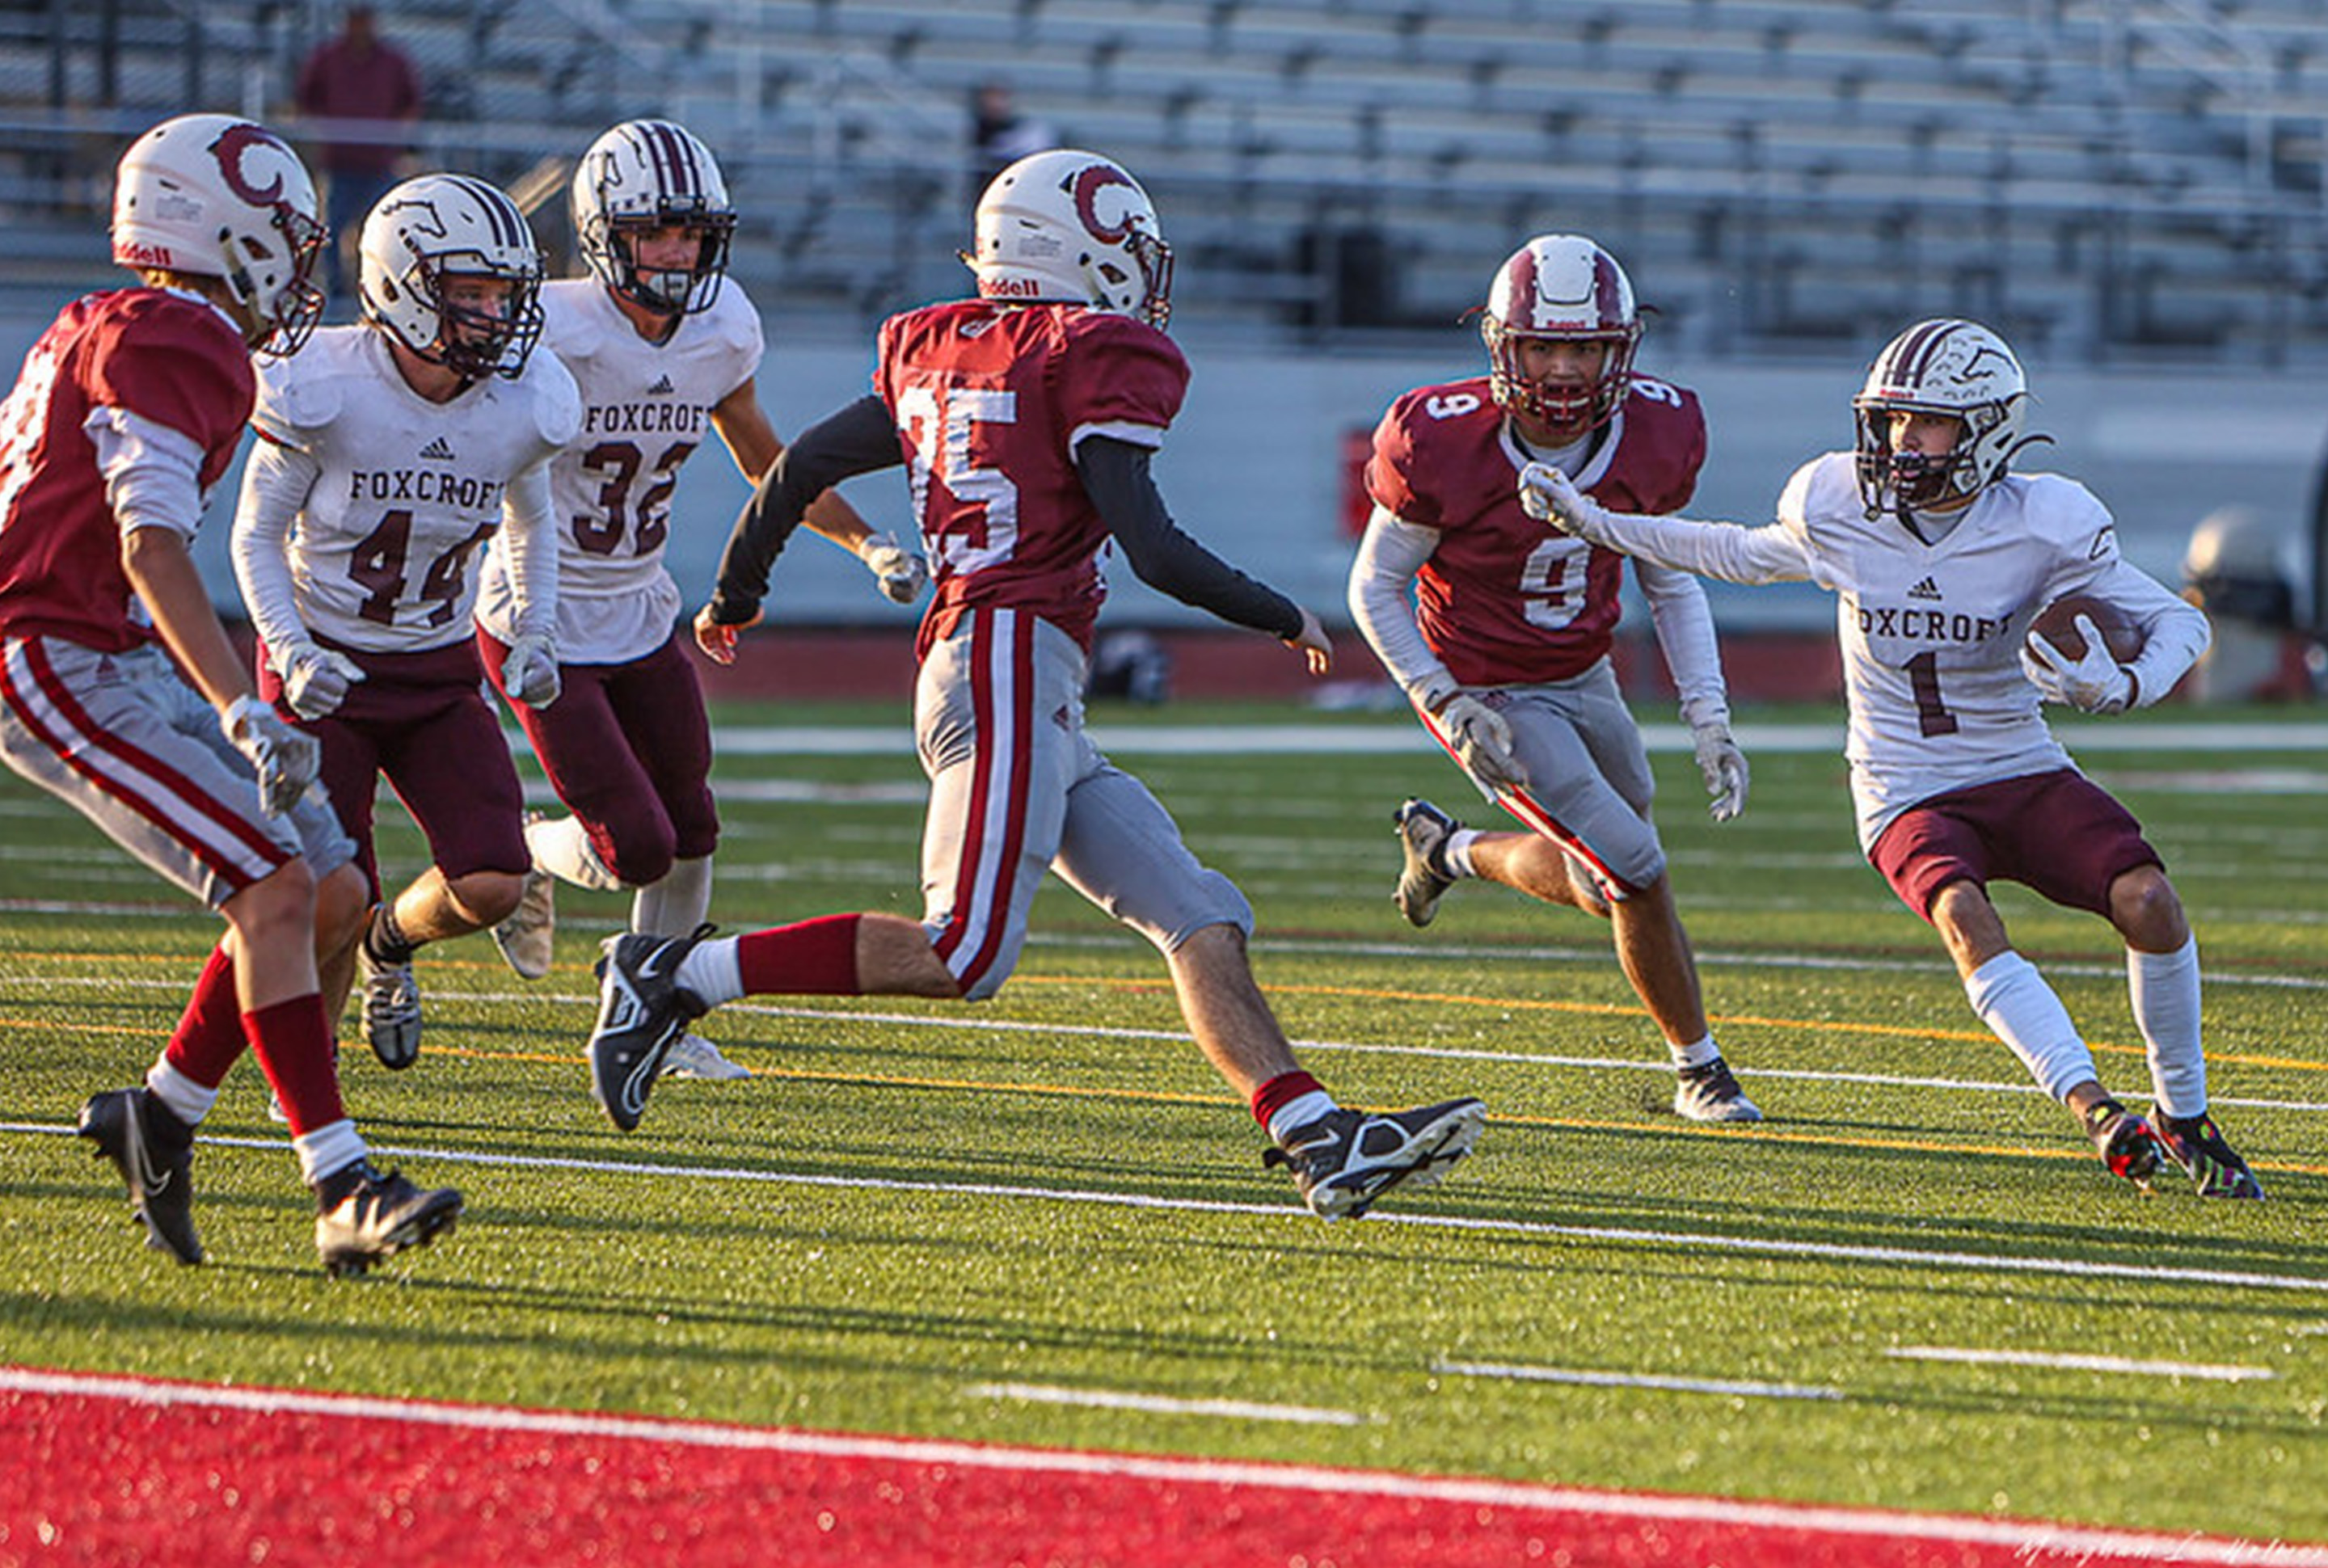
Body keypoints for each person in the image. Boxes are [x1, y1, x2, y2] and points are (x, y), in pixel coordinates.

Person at [585, 148, 1487, 1220]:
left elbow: (799, 467)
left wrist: (737, 590)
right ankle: (677, 975)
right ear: (1076, 255)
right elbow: (1148, 545)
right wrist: (1273, 609)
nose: (1144, 276)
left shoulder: (940, 345)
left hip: (1019, 669)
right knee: (962, 951)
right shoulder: (1087, 350)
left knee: (1200, 914)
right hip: (1005, 654)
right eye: (1125, 251)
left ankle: (1311, 1133)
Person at [1524, 316, 2263, 1198]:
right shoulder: (1840, 504)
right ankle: (2097, 1110)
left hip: (2018, 760)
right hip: (1904, 782)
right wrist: (1596, 522)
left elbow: (2182, 620)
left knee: (2149, 898)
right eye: (1891, 420)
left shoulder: (2045, 521)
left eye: (1926, 422)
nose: (1898, 442)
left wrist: (2127, 685)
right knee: (1963, 913)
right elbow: (1731, 551)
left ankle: (2186, 1116)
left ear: (1986, 428)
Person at [0, 112, 462, 1275]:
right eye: (282, 236)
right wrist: (237, 702)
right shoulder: (177, 338)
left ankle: (157, 1112)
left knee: (338, 887)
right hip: (50, 650)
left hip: (100, 638)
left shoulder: (121, 319)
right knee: (270, 878)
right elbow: (151, 545)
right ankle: (341, 1184)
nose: (296, 266)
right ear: (229, 231)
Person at [471, 118, 929, 1084]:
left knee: (692, 826)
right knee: (634, 844)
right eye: (654, 232)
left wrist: (866, 540)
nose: (678, 252)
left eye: (691, 232)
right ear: (604, 233)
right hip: (538, 611)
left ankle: (659, 1014)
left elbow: (769, 459)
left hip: (639, 604)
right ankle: (522, 851)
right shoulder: (544, 326)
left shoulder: (722, 329)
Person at [1348, 234, 1761, 1124]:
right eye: (1545, 345)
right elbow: (1373, 585)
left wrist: (1709, 715)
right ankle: (1701, 1068)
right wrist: (1443, 700)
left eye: (1586, 347)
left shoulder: (1659, 430)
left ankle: (1447, 850)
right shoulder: (1440, 438)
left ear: (1623, 351)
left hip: (1584, 669)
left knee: (1598, 881)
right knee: (1640, 868)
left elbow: (1669, 572)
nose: (1565, 369)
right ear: (1503, 344)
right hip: (1487, 689)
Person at [230, 172, 576, 1077]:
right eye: (471, 293)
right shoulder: (323, 382)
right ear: (400, 285)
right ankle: (311, 1082)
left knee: (496, 880)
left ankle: (395, 945)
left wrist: (535, 628)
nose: (495, 316)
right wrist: (291, 648)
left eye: (504, 294)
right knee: (326, 897)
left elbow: (531, 518)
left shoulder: (519, 400)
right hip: (323, 668)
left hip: (436, 667)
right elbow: (257, 535)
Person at [294, 2, 423, 307]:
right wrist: (326, 129)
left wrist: (394, 135)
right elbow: (306, 97)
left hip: (379, 163)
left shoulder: (392, 60)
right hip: (340, 163)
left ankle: (379, 293)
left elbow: (411, 101)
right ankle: (337, 293)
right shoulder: (329, 57)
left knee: (385, 232)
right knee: (332, 232)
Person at [968, 81, 1059, 197]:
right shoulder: (973, 127)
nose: (996, 104)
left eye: (1000, 98)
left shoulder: (1020, 126)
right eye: (991, 99)